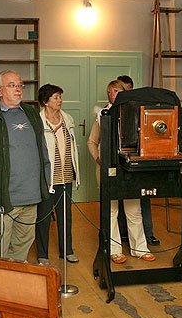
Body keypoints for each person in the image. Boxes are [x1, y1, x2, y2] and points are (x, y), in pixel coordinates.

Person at [0, 70, 51, 261]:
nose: (18, 90)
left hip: (31, 196)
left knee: (22, 247)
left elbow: (42, 150)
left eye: (20, 85)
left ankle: (14, 287)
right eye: (12, 85)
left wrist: (47, 180)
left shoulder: (32, 115)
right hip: (3, 197)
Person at [87, 79, 154, 264]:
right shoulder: (102, 114)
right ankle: (114, 250)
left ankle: (140, 248)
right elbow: (92, 142)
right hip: (107, 169)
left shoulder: (135, 112)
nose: (112, 95)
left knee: (134, 210)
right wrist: (98, 159)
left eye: (116, 91)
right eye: (109, 92)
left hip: (130, 168)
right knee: (111, 211)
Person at [35, 84, 81, 264]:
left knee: (65, 217)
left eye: (60, 97)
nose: (59, 100)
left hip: (66, 176)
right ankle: (43, 254)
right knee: (43, 218)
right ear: (45, 102)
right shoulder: (38, 121)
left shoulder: (67, 119)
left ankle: (67, 250)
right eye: (55, 97)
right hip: (48, 178)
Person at [116, 74, 160, 246]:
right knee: (121, 201)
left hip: (142, 160)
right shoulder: (111, 110)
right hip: (122, 162)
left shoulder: (143, 109)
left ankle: (148, 234)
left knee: (144, 199)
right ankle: (123, 234)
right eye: (122, 89)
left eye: (128, 88)